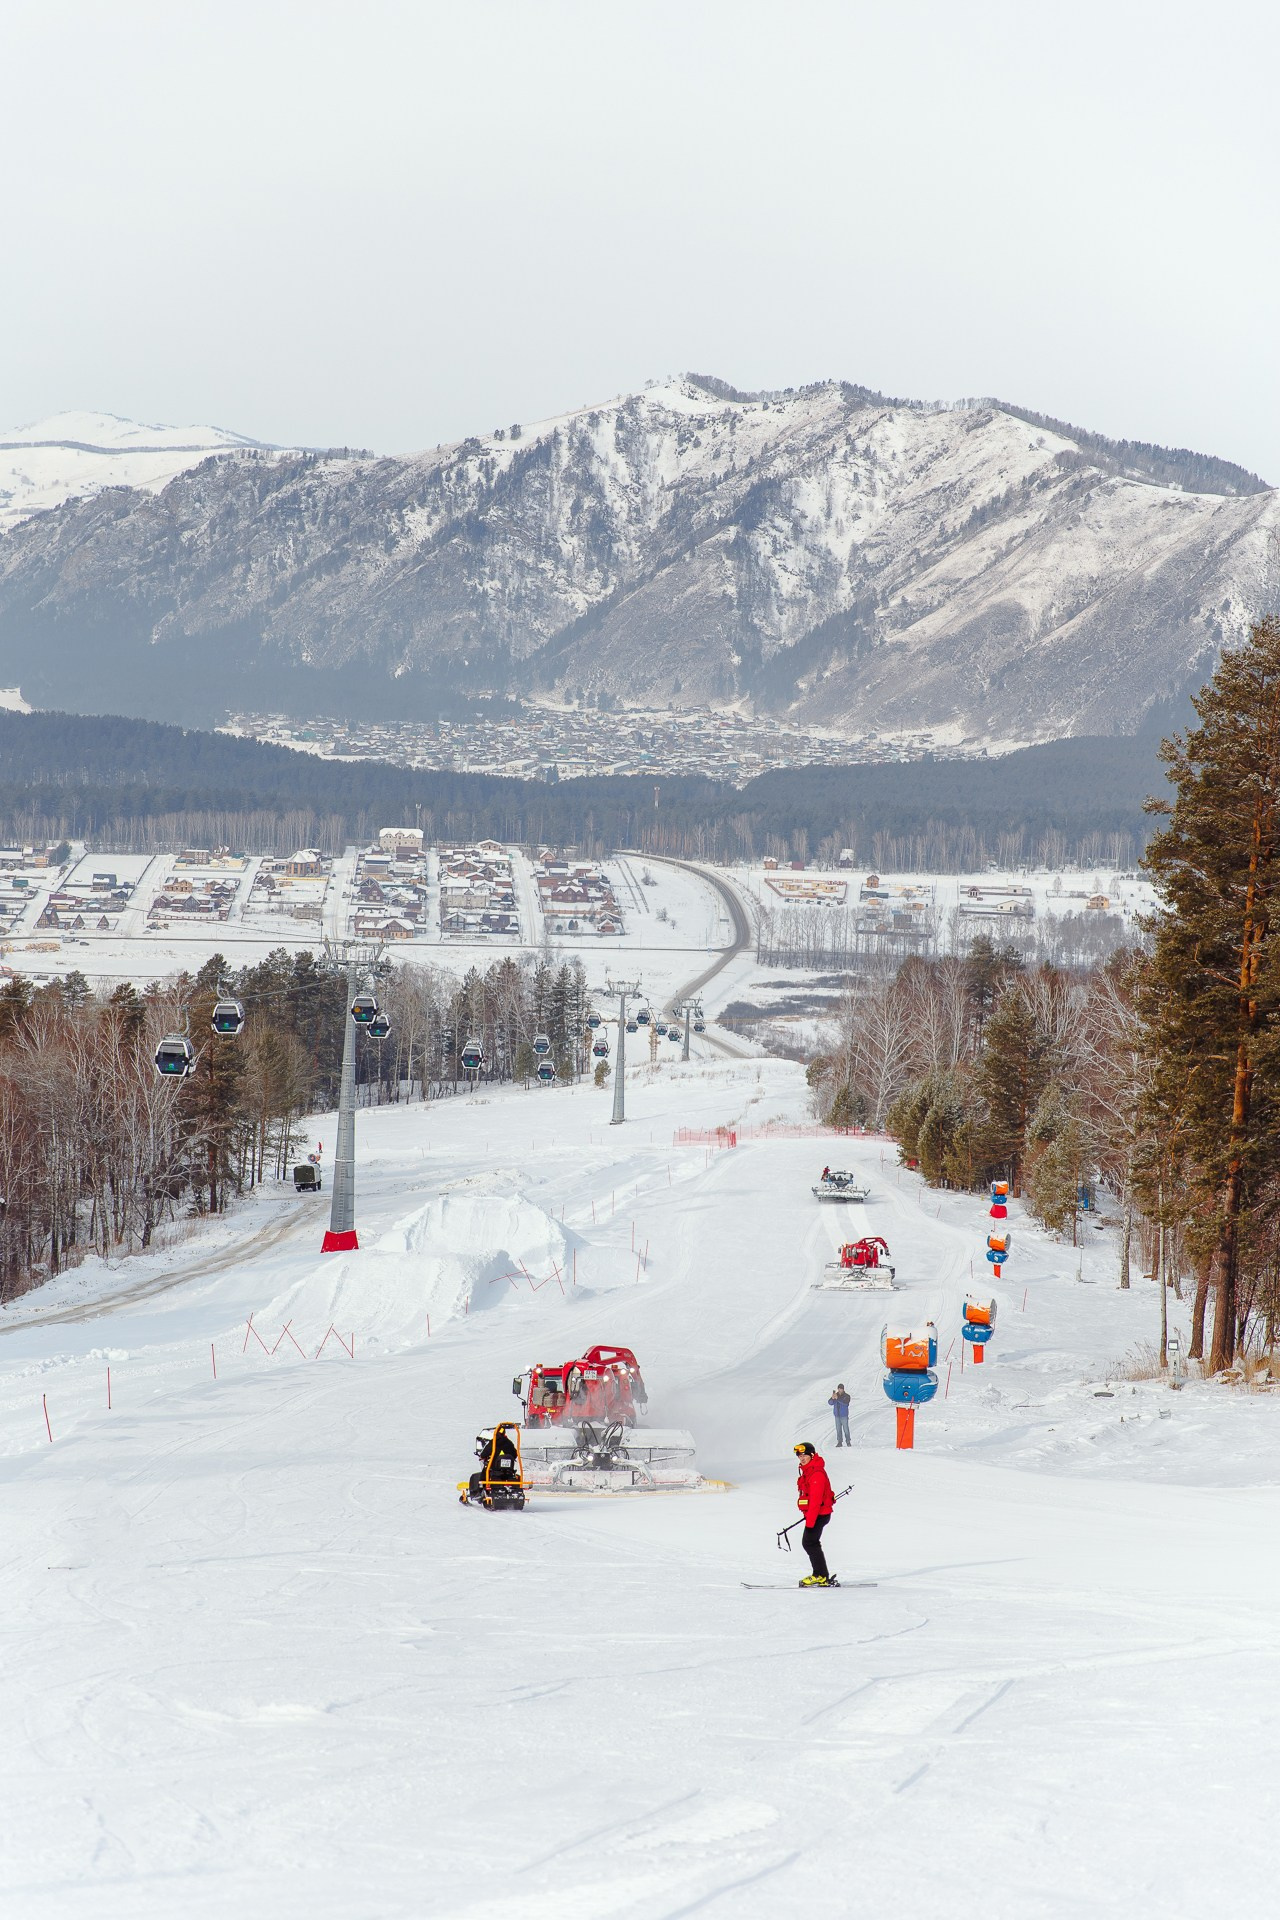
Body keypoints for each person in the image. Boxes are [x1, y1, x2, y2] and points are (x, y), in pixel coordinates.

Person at [793, 1441, 836, 1586]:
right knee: (811, 1543)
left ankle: (821, 1575)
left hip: (819, 1514)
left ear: (812, 1455)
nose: (802, 1458)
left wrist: (810, 1521)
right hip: (816, 1514)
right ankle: (821, 1575)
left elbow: (816, 1501)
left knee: (809, 1542)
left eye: (804, 1455)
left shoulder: (816, 1473)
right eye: (799, 1456)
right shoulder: (809, 1470)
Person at [828, 1383, 851, 1448]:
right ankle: (839, 1442)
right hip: (837, 1415)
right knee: (838, 1429)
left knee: (846, 1429)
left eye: (841, 1389)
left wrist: (837, 1398)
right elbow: (830, 1403)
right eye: (839, 1389)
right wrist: (832, 1398)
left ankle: (848, 1441)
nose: (840, 1390)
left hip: (844, 1415)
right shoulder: (836, 1395)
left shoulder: (847, 1396)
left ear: (843, 1389)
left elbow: (845, 1403)